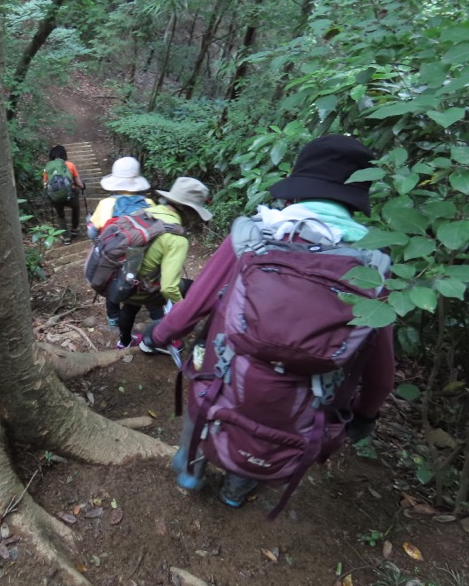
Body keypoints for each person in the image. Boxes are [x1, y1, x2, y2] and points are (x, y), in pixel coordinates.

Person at [141, 134, 395, 509]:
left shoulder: (256, 235)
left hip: (226, 376)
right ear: (355, 200)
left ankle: (189, 471)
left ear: (295, 190)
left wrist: (159, 333)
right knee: (272, 433)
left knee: (205, 407)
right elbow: (380, 363)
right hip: (306, 396)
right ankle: (234, 492)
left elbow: (196, 303)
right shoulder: (373, 264)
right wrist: (366, 414)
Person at [115, 177, 212, 351]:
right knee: (189, 287)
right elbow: (168, 288)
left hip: (122, 281)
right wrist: (182, 310)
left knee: (131, 305)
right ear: (188, 210)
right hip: (142, 287)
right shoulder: (176, 239)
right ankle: (162, 341)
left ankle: (124, 341)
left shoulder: (146, 212)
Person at [87, 156, 156, 328]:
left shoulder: (106, 204)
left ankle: (114, 320)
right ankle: (157, 319)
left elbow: (92, 232)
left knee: (110, 282)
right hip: (143, 256)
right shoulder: (149, 203)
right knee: (148, 283)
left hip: (114, 257)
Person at [43, 145, 85, 245]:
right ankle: (74, 229)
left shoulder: (47, 167)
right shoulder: (70, 165)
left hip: (56, 196)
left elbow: (45, 184)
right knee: (75, 208)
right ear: (64, 154)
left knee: (60, 215)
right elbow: (78, 182)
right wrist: (82, 186)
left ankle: (65, 237)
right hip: (71, 193)